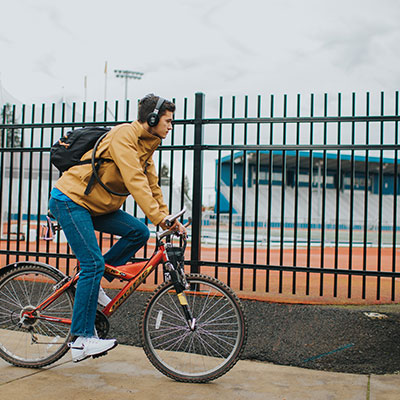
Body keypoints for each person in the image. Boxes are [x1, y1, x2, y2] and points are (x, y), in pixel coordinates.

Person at [48, 94, 186, 363]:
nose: (171, 126)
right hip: (71, 200)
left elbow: (152, 185)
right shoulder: (124, 136)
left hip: (98, 205)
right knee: (92, 264)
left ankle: (94, 277)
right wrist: (158, 218)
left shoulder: (150, 144)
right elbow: (135, 180)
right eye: (168, 121)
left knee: (139, 233)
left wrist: (167, 217)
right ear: (153, 118)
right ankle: (80, 339)